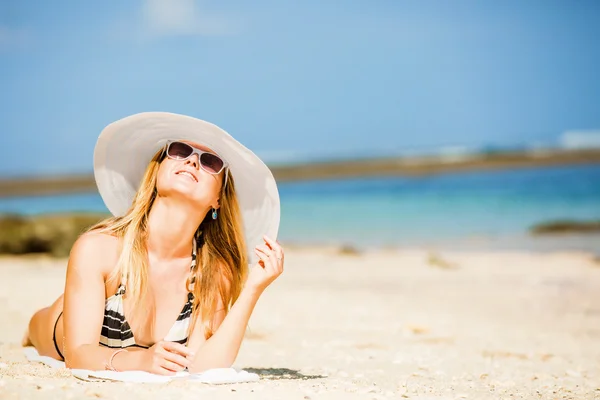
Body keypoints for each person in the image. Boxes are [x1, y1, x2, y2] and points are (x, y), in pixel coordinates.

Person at [23, 112, 283, 375]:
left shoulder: (213, 271)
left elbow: (204, 366)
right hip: (58, 331)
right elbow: (77, 354)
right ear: (157, 170)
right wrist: (141, 361)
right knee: (38, 328)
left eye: (211, 162)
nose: (192, 160)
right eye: (180, 151)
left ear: (218, 199)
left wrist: (253, 289)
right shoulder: (100, 249)